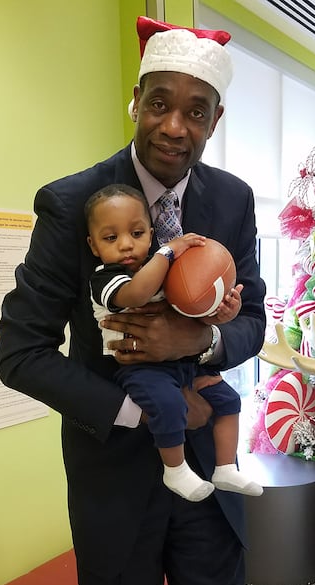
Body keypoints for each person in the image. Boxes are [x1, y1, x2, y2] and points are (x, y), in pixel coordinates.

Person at [0, 14, 281, 585]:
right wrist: (143, 414)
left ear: (215, 121)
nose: (175, 126)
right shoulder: (72, 203)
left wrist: (201, 352)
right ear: (135, 100)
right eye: (161, 103)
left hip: (204, 477)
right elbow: (18, 353)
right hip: (114, 479)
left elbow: (254, 315)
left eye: (196, 111)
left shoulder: (229, 199)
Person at [87, 183, 263, 501]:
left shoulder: (157, 271)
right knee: (168, 406)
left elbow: (188, 315)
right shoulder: (106, 277)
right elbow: (138, 293)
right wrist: (168, 252)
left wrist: (222, 313)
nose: (126, 245)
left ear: (151, 232)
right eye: (111, 238)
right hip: (140, 368)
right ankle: (176, 471)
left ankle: (225, 468)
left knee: (228, 399)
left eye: (137, 234)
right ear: (94, 245)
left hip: (182, 363)